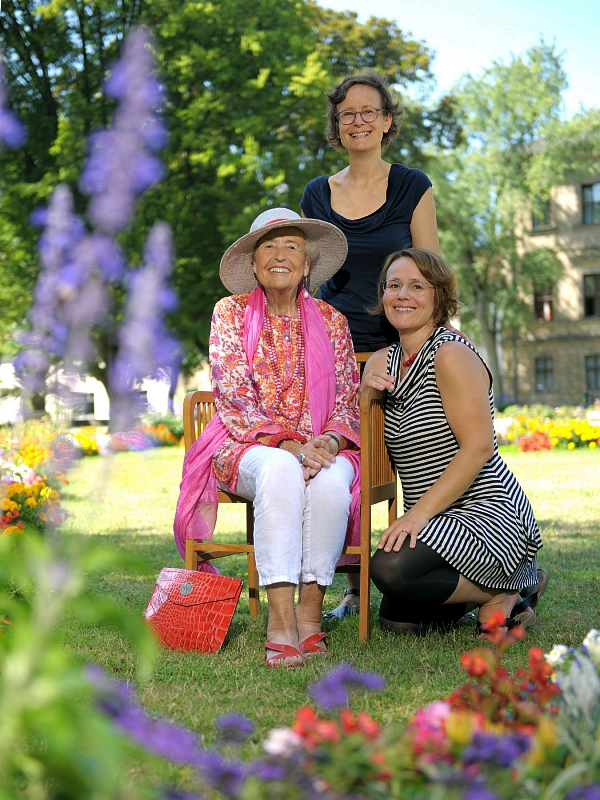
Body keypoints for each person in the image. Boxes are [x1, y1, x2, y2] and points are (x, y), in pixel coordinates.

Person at [173, 208, 361, 667]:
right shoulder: (230, 313)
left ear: (307, 264)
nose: (280, 255)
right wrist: (290, 446)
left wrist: (329, 445)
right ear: (254, 264)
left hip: (319, 446)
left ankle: (310, 617)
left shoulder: (333, 321)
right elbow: (234, 396)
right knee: (280, 470)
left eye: (292, 246)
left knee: (334, 481)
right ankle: (280, 621)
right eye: (269, 246)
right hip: (243, 444)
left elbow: (346, 401)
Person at [300, 70, 439, 618]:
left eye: (367, 112)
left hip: (400, 351)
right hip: (331, 356)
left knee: (406, 464)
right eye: (346, 114)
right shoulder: (317, 192)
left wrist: (421, 345)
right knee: (341, 470)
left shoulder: (413, 185)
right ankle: (345, 589)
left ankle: (417, 569)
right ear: (338, 125)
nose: (357, 121)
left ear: (386, 121)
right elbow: (311, 284)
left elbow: (431, 272)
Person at [362, 248, 547, 634]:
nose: (402, 295)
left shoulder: (451, 355)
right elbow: (369, 442)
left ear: (439, 297)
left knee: (391, 569)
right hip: (436, 519)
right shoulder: (381, 363)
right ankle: (518, 584)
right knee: (399, 622)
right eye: (393, 285)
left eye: (417, 286)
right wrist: (364, 396)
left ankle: (500, 594)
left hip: (486, 511)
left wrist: (416, 515)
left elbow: (478, 447)